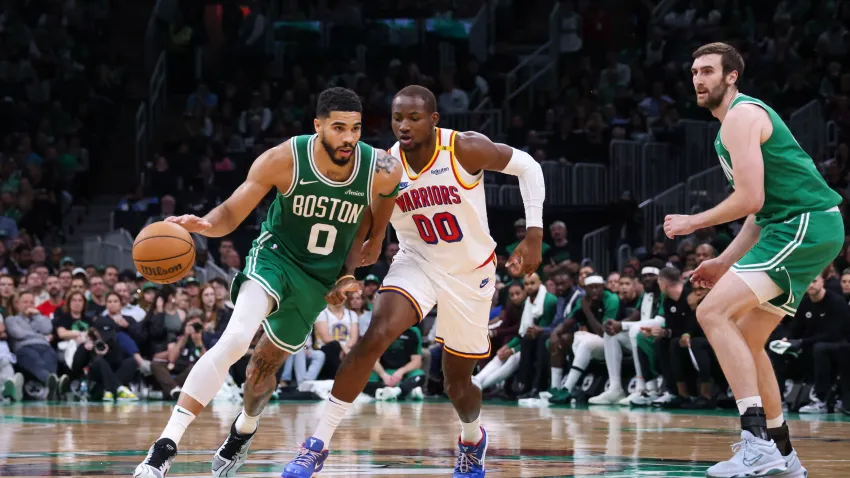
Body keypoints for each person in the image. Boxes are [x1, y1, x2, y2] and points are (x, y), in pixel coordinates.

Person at [133, 87, 402, 478]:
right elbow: (230, 212)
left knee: (262, 371)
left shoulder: (382, 169)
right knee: (237, 337)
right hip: (274, 257)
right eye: (339, 127)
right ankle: (164, 447)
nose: (348, 138)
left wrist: (347, 274)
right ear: (318, 126)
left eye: (356, 129)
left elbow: (371, 236)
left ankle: (243, 430)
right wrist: (203, 224)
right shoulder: (284, 159)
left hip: (318, 279)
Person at [283, 84, 545, 478]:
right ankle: (316, 444)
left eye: (414, 118)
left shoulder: (463, 148)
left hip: (471, 273)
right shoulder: (385, 166)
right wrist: (351, 269)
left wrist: (534, 234)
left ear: (434, 120)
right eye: (396, 118)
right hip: (416, 263)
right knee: (373, 337)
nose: (403, 126)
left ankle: (472, 439)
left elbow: (529, 166)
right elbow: (367, 224)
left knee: (457, 384)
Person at [663, 42, 843, 478]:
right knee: (746, 335)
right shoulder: (729, 127)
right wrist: (724, 262)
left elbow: (750, 198)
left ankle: (755, 442)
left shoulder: (742, 116)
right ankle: (782, 453)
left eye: (708, 70)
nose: (698, 79)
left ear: (731, 76)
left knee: (712, 312)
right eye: (693, 72)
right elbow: (759, 213)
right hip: (795, 227)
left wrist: (692, 222)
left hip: (805, 224)